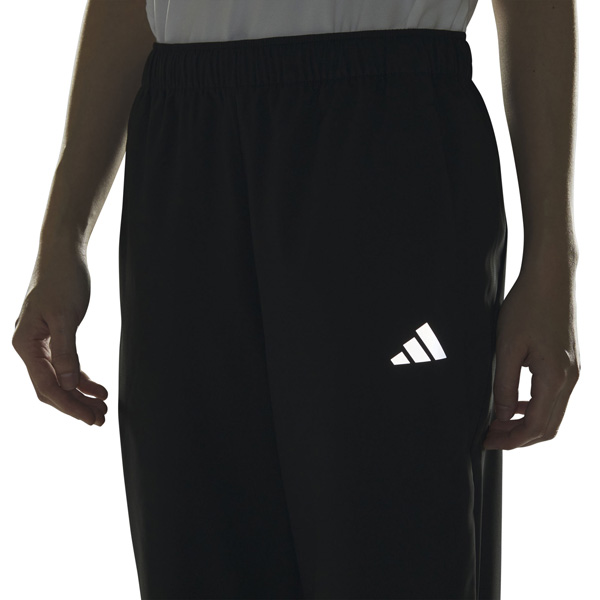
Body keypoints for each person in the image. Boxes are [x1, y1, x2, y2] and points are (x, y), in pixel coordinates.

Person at [11, 0, 581, 599]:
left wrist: (552, 258)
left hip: (387, 138)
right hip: (185, 154)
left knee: (398, 555)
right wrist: (62, 237)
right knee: (198, 558)